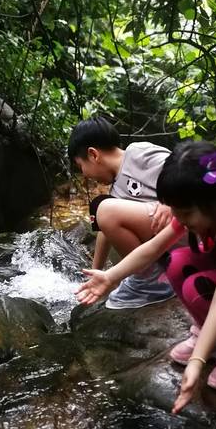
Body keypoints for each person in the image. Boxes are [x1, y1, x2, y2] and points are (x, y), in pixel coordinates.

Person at [76, 140, 216, 414]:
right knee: (175, 262)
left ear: (215, 202)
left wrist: (197, 361)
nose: (178, 218)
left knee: (199, 287)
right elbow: (155, 247)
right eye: (175, 209)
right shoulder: (202, 210)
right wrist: (110, 277)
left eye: (184, 213)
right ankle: (215, 340)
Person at [68, 116, 176, 308]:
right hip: (170, 242)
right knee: (103, 207)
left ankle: (154, 283)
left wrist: (169, 199)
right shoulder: (115, 192)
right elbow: (105, 229)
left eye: (80, 166)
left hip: (187, 223)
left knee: (104, 207)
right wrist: (96, 274)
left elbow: (183, 167)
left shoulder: (137, 153)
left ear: (93, 155)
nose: (84, 174)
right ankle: (153, 277)